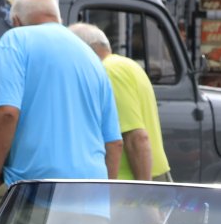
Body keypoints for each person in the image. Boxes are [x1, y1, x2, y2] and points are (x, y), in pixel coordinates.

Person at [0, 0, 121, 224]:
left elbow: (6, 114)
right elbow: (114, 143)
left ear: (16, 21)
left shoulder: (15, 40)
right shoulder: (92, 58)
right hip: (92, 207)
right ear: (58, 19)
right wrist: (102, 201)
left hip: (32, 198)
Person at [69, 22, 171, 181]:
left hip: (131, 182)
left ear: (83, 49)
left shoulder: (107, 72)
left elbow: (136, 138)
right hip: (152, 176)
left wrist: (143, 189)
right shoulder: (128, 65)